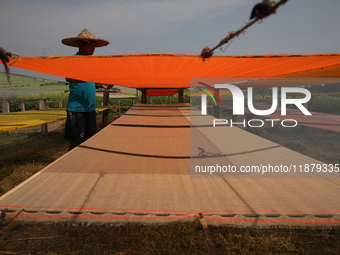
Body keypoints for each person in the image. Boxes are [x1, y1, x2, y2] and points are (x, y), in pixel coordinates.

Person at [62, 28, 113, 150]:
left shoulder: (91, 63)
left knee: (89, 139)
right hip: (77, 107)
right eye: (90, 44)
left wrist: (102, 85)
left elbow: (91, 82)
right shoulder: (74, 60)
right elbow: (69, 78)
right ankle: (69, 163)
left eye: (94, 45)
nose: (93, 48)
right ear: (81, 44)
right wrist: (88, 79)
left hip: (89, 107)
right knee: (76, 140)